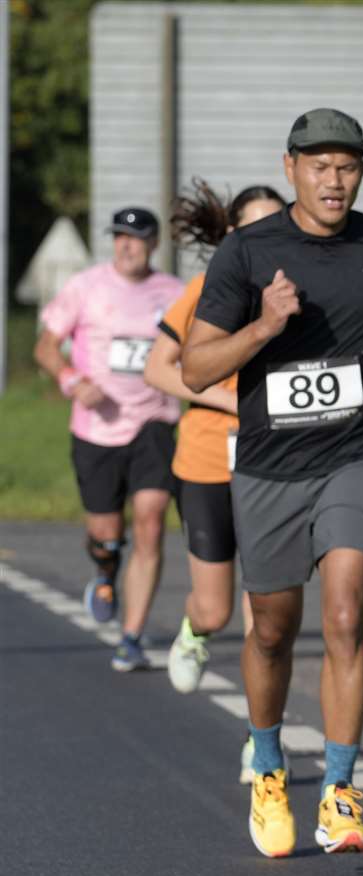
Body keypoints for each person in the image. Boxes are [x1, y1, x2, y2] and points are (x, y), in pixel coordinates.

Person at [182, 108, 363, 858]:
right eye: (320, 166)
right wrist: (263, 328)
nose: (335, 180)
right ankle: (268, 766)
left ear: (362, 170)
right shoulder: (246, 253)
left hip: (354, 457)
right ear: (292, 165)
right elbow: (196, 368)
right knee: (270, 628)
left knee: (343, 615)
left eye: (349, 166)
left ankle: (339, 790)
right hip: (268, 467)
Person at [144, 180, 285, 705]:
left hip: (273, 465)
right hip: (205, 462)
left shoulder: (298, 295)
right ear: (233, 234)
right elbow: (157, 370)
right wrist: (230, 402)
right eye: (256, 229)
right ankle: (194, 632)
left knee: (267, 621)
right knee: (215, 610)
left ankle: (261, 740)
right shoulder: (206, 290)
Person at [34, 207, 186, 671]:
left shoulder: (175, 294)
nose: (127, 245)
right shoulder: (87, 286)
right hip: (96, 427)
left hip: (154, 422)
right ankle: (104, 572)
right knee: (105, 531)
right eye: (120, 236)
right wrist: (72, 380)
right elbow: (45, 345)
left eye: (137, 238)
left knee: (151, 518)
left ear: (154, 244)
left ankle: (132, 635)